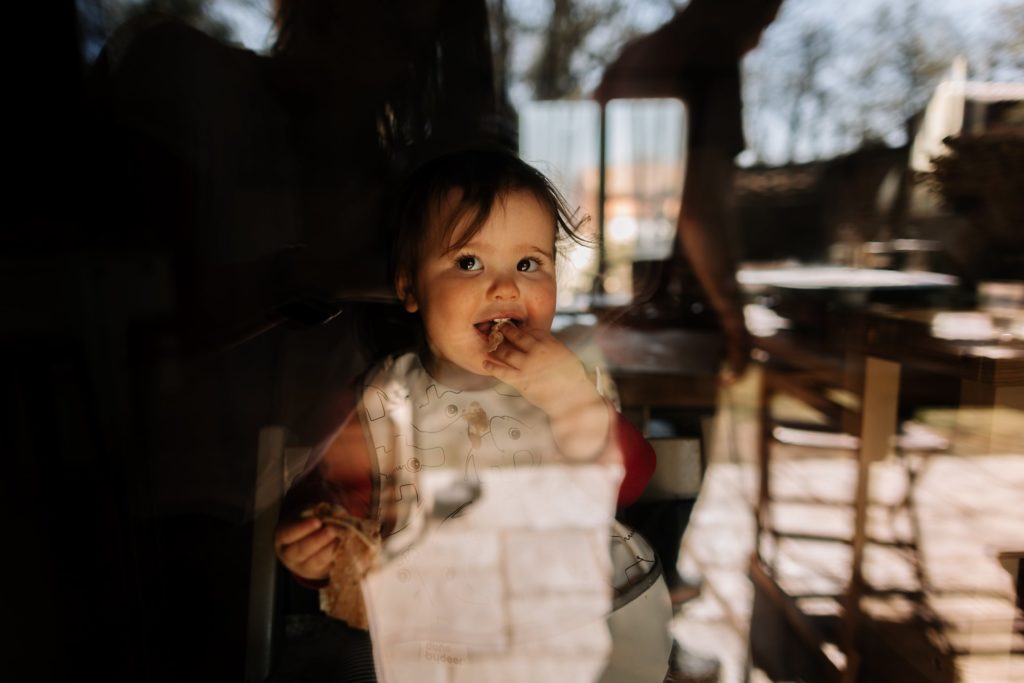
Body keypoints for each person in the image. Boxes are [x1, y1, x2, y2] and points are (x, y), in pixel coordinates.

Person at [274, 148, 656, 602]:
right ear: (409, 286)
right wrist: (316, 549)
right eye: (469, 262)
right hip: (433, 632)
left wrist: (572, 401)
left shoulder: (571, 379)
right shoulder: (384, 399)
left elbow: (632, 482)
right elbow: (339, 502)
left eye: (528, 264)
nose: (506, 287)